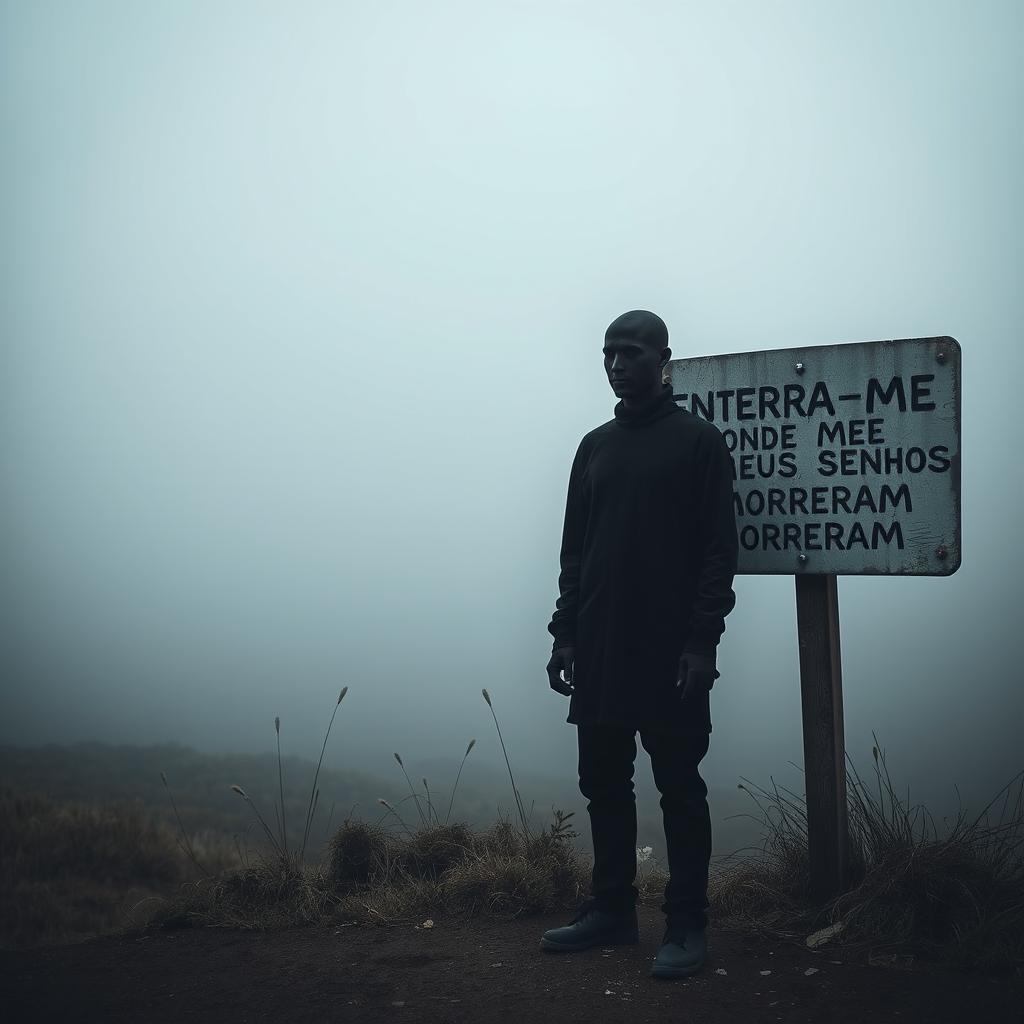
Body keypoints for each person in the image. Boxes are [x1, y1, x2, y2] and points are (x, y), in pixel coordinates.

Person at [540, 309, 738, 980]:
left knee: (679, 786)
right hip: (598, 645)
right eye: (608, 354)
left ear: (664, 361)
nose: (616, 365)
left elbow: (718, 555)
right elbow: (575, 551)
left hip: (671, 652)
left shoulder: (698, 444)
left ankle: (686, 924)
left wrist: (701, 644)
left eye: (630, 352)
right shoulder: (594, 447)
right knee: (603, 782)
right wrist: (564, 632)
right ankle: (613, 912)